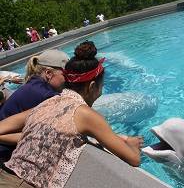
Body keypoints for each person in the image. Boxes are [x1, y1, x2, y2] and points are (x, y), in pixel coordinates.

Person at [0, 41, 143, 188]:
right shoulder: (86, 114)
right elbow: (134, 159)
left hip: (4, 174)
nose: (101, 91)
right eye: (101, 85)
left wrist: (36, 133)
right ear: (92, 86)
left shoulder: (46, 103)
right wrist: (132, 144)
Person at [0, 49, 68, 162]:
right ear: (48, 73)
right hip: (4, 155)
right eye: (65, 74)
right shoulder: (45, 95)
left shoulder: (34, 84)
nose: (69, 79)